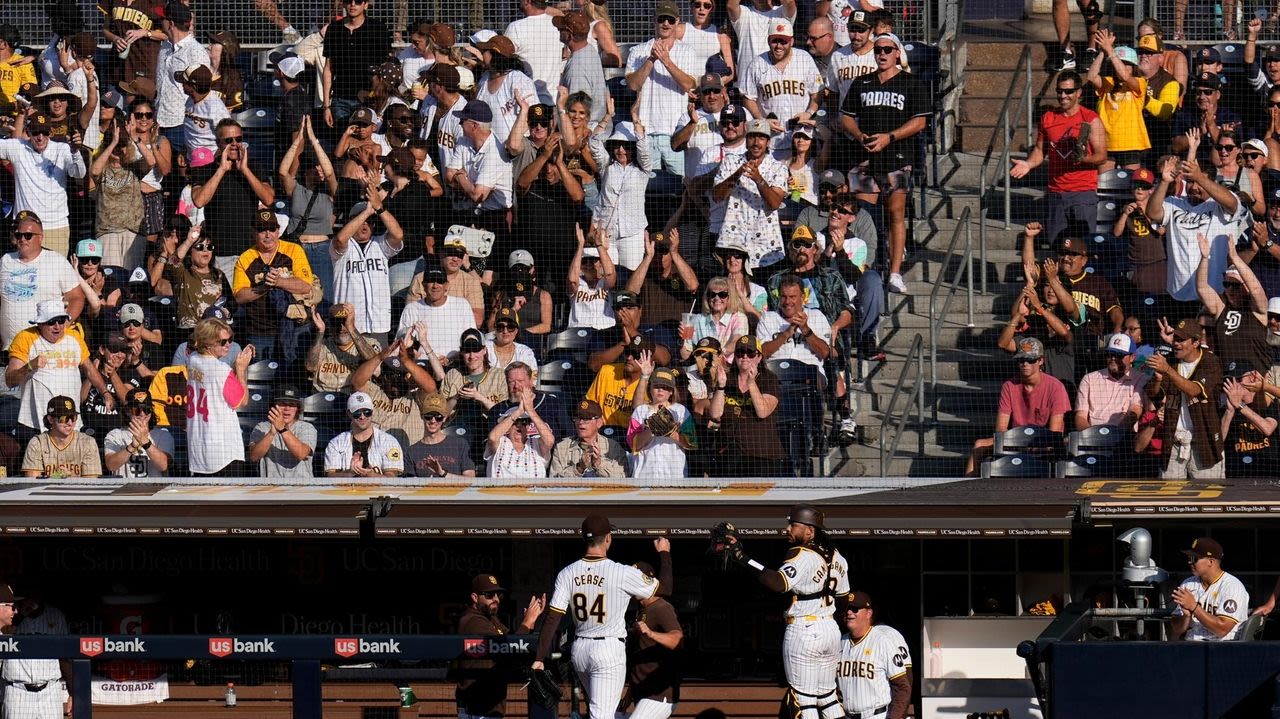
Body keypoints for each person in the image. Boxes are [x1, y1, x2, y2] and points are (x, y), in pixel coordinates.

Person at [716, 505, 849, 719]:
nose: (787, 528)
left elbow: (778, 583)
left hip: (805, 629)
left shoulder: (802, 554)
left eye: (793, 525)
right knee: (828, 698)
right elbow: (843, 600)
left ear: (810, 531)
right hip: (830, 628)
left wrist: (742, 557)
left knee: (803, 700)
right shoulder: (838, 557)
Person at [531, 518, 673, 719]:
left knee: (598, 711)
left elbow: (553, 618)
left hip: (579, 650)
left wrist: (539, 658)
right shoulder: (622, 572)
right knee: (602, 715)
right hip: (608, 649)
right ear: (608, 538)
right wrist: (664, 554)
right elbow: (666, 589)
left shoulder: (567, 572)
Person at [840, 33, 928, 293]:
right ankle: (861, 269)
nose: (882, 54)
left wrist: (889, 137)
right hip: (865, 159)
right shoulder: (862, 82)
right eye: (878, 50)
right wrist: (860, 135)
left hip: (898, 159)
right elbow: (846, 117)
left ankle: (895, 272)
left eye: (888, 50)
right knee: (862, 217)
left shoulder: (911, 84)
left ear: (897, 53)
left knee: (895, 214)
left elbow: (920, 122)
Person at [1009, 70, 1106, 253]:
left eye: (1068, 91)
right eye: (1059, 91)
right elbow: (1040, 150)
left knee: (1083, 248)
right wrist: (1028, 164)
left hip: (1082, 192)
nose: (1063, 96)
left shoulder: (1090, 118)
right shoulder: (1048, 118)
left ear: (1079, 93)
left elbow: (1102, 156)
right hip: (1056, 193)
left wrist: (1083, 158)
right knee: (1056, 247)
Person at [1146, 154, 1250, 311]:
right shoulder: (1174, 203)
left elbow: (1232, 203)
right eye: (1190, 182)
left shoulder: (1218, 206)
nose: (1194, 187)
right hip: (1179, 293)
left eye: (1199, 183)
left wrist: (1200, 177)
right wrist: (1165, 182)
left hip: (1213, 293)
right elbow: (1152, 213)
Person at [965, 337, 1071, 476]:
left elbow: (1055, 432)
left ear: (1040, 361)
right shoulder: (1009, 386)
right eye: (1021, 360)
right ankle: (969, 488)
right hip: (1015, 442)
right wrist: (1016, 443)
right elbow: (1001, 429)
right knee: (979, 445)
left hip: (1045, 444)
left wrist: (1032, 446)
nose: (1025, 364)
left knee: (1064, 443)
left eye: (1030, 359)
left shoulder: (1056, 387)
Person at [7, 299, 110, 439]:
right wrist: (30, 366)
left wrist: (105, 392)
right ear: (40, 323)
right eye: (51, 322)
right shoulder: (25, 338)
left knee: (70, 461)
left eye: (61, 320)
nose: (57, 326)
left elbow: (90, 370)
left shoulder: (74, 337)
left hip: (70, 423)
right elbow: (10, 380)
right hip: (34, 424)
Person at [456, 575, 546, 719]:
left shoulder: (492, 619)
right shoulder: (472, 620)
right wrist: (527, 622)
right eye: (489, 595)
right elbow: (508, 648)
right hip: (476, 709)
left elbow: (514, 643)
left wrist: (529, 625)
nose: (496, 599)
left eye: (498, 594)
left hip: (489, 708)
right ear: (474, 597)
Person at [231, 208, 316, 362]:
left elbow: (306, 286)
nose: (268, 234)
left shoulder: (293, 250)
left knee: (294, 376)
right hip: (260, 332)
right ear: (254, 232)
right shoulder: (245, 258)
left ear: (278, 231)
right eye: (262, 230)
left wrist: (279, 282)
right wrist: (265, 287)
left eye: (272, 229)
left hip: (295, 328)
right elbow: (239, 296)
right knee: (261, 377)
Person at [1144, 318, 1225, 478]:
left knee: (1207, 495)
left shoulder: (1210, 361)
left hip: (1204, 441)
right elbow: (1153, 394)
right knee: (1169, 496)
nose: (1176, 343)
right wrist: (1158, 378)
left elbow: (1194, 390)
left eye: (1181, 340)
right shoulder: (1171, 361)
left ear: (1195, 342)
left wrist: (1167, 370)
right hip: (1174, 440)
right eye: (1175, 338)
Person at [625, 1, 699, 177]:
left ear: (677, 22)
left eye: (670, 20)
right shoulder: (638, 51)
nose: (666, 24)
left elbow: (689, 84)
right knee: (650, 189)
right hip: (646, 132)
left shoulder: (687, 51)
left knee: (682, 186)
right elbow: (633, 84)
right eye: (662, 19)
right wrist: (651, 59)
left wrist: (666, 60)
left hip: (676, 134)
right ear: (655, 20)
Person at [0, 115, 88, 259]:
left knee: (54, 277)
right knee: (27, 277)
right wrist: (2, 131)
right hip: (25, 228)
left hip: (56, 226)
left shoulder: (62, 148)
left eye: (44, 132)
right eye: (35, 132)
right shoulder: (18, 147)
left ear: (51, 133)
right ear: (28, 132)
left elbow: (79, 173)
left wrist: (75, 152)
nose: (40, 137)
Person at [331, 182, 405, 346]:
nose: (365, 224)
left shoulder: (381, 245)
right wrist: (366, 212)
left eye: (369, 221)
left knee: (376, 370)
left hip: (378, 324)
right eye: (360, 220)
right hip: (347, 325)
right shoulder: (342, 246)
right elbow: (340, 239)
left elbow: (398, 234)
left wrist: (379, 208)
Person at [192, 120, 277, 257]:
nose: (234, 144)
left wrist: (245, 170)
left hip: (250, 250)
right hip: (220, 251)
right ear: (218, 143)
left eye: (238, 139)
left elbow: (268, 199)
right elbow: (199, 201)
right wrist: (221, 170)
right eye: (228, 140)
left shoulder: (254, 168)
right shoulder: (205, 171)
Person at [713, 118, 787, 271]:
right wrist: (738, 172)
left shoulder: (778, 168)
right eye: (752, 136)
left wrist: (758, 179)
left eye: (761, 137)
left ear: (768, 142)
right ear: (746, 140)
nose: (756, 142)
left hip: (765, 246)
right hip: (733, 242)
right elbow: (717, 196)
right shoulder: (730, 161)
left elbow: (774, 203)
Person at [706, 335, 787, 476]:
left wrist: (751, 383)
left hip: (761, 456)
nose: (744, 357)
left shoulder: (768, 379)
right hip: (728, 455)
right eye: (740, 353)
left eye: (750, 353)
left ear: (759, 357)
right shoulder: (727, 378)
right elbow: (715, 415)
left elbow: (763, 411)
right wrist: (720, 386)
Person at [185, 316, 255, 477]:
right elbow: (242, 400)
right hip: (223, 451)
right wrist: (241, 368)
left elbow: (213, 377)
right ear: (208, 343)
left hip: (199, 447)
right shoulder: (221, 370)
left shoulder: (193, 359)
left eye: (229, 340)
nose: (228, 345)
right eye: (222, 342)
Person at [740, 18, 821, 152]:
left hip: (801, 139)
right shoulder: (757, 64)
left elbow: (817, 92)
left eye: (783, 41)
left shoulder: (804, 59)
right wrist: (762, 120)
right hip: (771, 142)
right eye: (775, 41)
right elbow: (748, 97)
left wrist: (809, 112)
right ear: (768, 41)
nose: (778, 46)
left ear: (792, 41)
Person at [1197, 238, 1271, 376]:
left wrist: (1235, 258)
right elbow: (1202, 288)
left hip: (1257, 380)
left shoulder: (1258, 310)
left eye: (1235, 286)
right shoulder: (1221, 309)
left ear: (1245, 287)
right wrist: (1204, 258)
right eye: (1226, 285)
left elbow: (1255, 289)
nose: (1230, 289)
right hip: (1229, 380)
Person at [0, 582, 72, 718]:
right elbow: (3, 630)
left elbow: (65, 656)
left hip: (50, 691)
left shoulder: (55, 616)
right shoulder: (10, 620)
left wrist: (73, 692)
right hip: (17, 691)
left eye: (34, 594)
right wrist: (21, 616)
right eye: (26, 596)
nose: (31, 599)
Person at [623, 560, 684, 719]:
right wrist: (629, 695)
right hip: (641, 693)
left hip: (659, 694)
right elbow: (639, 656)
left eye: (635, 580)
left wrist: (651, 633)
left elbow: (677, 639)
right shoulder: (641, 610)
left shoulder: (662, 607)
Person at [837, 591, 912, 719]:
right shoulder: (840, 642)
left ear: (869, 613)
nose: (849, 612)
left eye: (855, 609)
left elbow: (902, 687)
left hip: (876, 715)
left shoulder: (883, 641)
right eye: (847, 609)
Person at [591, 122, 654, 271]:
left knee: (631, 276)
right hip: (606, 232)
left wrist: (637, 122)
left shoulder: (643, 170)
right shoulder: (606, 166)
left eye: (625, 146)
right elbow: (594, 142)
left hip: (632, 233)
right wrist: (607, 117)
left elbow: (644, 151)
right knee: (606, 276)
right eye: (617, 146)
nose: (621, 150)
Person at [321, 0, 392, 129]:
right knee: (342, 141)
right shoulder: (334, 29)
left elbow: (386, 67)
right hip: (340, 98)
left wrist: (380, 102)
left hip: (370, 99)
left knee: (365, 145)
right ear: (343, 4)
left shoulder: (378, 28)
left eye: (358, 1)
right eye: (349, 1)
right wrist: (326, 106)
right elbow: (328, 68)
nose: (353, 4)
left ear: (365, 4)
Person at [154, 1, 209, 154]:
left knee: (184, 173)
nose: (160, 22)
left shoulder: (195, 52)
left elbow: (202, 94)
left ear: (170, 23)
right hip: (160, 122)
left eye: (162, 19)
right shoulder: (165, 46)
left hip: (182, 125)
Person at [1171, 537, 1250, 641]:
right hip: (1191, 647)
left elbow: (1222, 629)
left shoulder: (1232, 586)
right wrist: (1186, 617)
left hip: (1224, 647)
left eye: (1194, 559)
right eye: (1189, 558)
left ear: (1211, 562)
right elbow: (1176, 630)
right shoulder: (1188, 584)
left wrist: (1194, 607)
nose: (1190, 562)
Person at [628, 366, 696, 478]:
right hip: (644, 474)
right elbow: (633, 445)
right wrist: (651, 430)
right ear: (649, 388)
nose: (660, 390)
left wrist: (671, 433)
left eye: (665, 387)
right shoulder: (640, 411)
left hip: (674, 474)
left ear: (671, 392)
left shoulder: (681, 411)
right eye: (657, 386)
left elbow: (691, 443)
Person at [398, 266, 478, 360]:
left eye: (440, 281)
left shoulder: (462, 305)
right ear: (423, 284)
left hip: (455, 362)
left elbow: (471, 340)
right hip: (422, 364)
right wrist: (412, 354)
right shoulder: (411, 309)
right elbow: (401, 345)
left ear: (446, 285)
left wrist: (452, 359)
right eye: (431, 281)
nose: (435, 286)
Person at [324, 391, 405, 477]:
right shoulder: (336, 443)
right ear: (349, 414)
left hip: (379, 490)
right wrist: (350, 473)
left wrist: (371, 475)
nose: (362, 417)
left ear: (372, 411)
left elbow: (392, 478)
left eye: (367, 412)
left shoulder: (389, 442)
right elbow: (330, 476)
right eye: (357, 413)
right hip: (346, 490)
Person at [1075, 332, 1145, 431]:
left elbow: (1135, 410)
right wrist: (1089, 437)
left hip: (1124, 438)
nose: (1113, 358)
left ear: (1132, 357)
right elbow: (1080, 416)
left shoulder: (1139, 378)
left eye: (1119, 355)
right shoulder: (1089, 379)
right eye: (1110, 354)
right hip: (1093, 436)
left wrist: (1115, 436)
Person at [306, 304, 383, 393]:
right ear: (329, 324)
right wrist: (320, 332)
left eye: (345, 322)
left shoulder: (369, 343)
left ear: (353, 321)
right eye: (336, 323)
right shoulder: (322, 344)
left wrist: (351, 328)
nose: (341, 328)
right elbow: (310, 367)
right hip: (323, 397)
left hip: (353, 398)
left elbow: (373, 362)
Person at [21, 396, 102, 478]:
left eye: (73, 417)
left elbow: (91, 483)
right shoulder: (37, 443)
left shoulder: (87, 442)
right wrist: (57, 477)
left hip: (77, 490)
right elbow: (32, 482)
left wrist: (71, 478)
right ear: (50, 419)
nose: (70, 423)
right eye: (64, 418)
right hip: (47, 491)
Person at [247, 386, 317, 478]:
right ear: (273, 406)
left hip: (301, 486)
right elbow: (254, 456)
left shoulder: (307, 427)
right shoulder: (261, 427)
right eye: (282, 404)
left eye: (292, 404)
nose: (287, 408)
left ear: (297, 408)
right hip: (270, 486)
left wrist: (282, 429)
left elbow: (301, 454)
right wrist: (271, 433)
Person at [103, 388, 174, 477]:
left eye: (146, 409)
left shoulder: (163, 435)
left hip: (154, 489)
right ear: (128, 411)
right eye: (136, 410)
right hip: (123, 489)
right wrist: (131, 447)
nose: (142, 414)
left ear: (151, 411)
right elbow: (111, 465)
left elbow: (164, 466)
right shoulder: (115, 435)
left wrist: (146, 443)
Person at [1221, 368, 1278, 477]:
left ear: (1253, 378)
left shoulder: (1268, 403)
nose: (1234, 384)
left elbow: (1268, 428)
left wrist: (1240, 406)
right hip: (1237, 472)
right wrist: (1230, 411)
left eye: (1238, 379)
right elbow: (1219, 441)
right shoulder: (1226, 407)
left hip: (1269, 470)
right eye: (1229, 380)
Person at [485, 390, 556, 478]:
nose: (519, 425)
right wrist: (518, 412)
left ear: (528, 427)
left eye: (524, 422)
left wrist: (530, 411)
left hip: (533, 490)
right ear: (506, 428)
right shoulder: (500, 442)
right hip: (501, 490)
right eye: (515, 422)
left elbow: (550, 441)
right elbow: (492, 437)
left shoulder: (536, 443)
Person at [550, 399, 628, 477]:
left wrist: (599, 464)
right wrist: (578, 468)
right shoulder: (562, 447)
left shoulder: (613, 448)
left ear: (599, 423)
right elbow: (553, 482)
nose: (580, 422)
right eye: (577, 418)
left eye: (586, 418)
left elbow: (623, 478)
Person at [407, 394, 477, 479]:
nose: (433, 420)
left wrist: (443, 473)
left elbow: (471, 479)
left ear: (444, 418)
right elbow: (410, 485)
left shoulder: (459, 445)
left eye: (438, 417)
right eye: (428, 416)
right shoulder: (411, 452)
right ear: (422, 416)